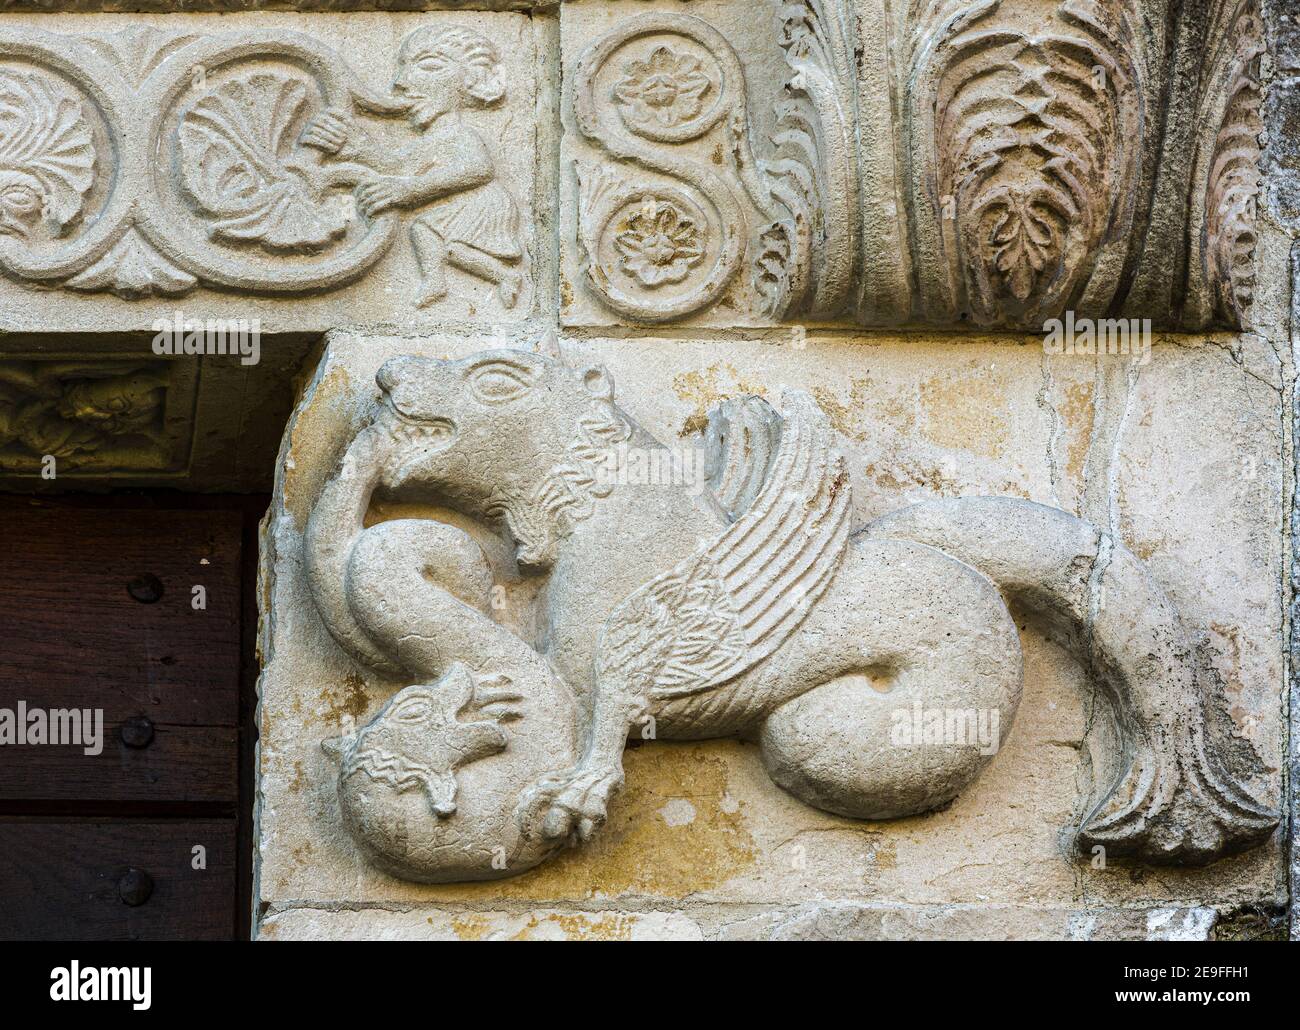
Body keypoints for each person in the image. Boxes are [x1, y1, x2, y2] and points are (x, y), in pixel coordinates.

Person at [304, 26, 525, 309]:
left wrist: (409, 190)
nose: (401, 81)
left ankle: (461, 278)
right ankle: (459, 279)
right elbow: (397, 165)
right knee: (435, 238)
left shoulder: (459, 135)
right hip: (455, 207)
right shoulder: (432, 139)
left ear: (470, 80)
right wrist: (356, 147)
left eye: (429, 66)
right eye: (403, 69)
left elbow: (479, 168)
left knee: (428, 231)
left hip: (481, 206)